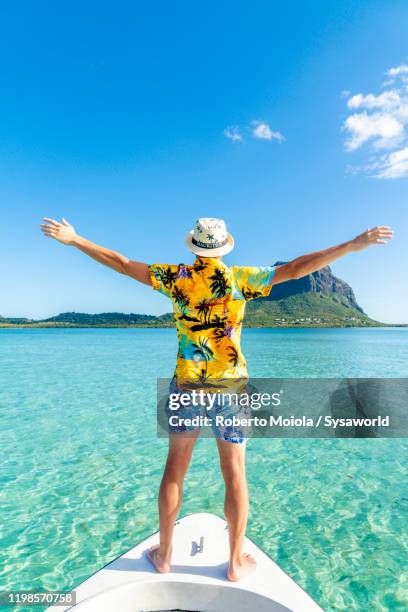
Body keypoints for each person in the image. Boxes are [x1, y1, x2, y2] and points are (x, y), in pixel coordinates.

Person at [40, 216, 393, 581]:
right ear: (225, 246)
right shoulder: (241, 279)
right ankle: (235, 563)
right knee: (235, 474)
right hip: (231, 392)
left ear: (192, 244)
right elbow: (297, 268)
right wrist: (352, 246)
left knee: (175, 468)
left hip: (186, 388)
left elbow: (122, 264)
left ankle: (164, 555)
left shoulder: (176, 277)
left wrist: (76, 239)